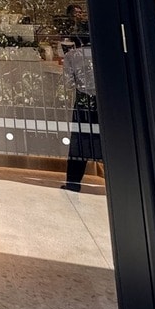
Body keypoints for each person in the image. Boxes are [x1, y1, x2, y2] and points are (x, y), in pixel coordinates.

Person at [61, 31, 99, 192]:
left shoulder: (72, 55)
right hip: (104, 103)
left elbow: (68, 83)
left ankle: (73, 182)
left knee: (79, 142)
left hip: (83, 101)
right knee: (106, 139)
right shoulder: (104, 53)